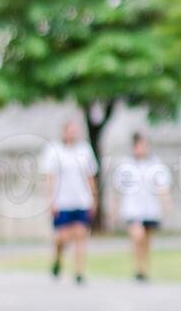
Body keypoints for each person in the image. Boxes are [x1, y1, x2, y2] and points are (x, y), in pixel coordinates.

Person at [40, 121, 98, 285]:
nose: (73, 134)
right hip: (62, 201)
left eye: (75, 130)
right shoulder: (54, 150)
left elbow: (90, 177)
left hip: (81, 200)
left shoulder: (85, 150)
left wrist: (94, 198)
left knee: (81, 234)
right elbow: (50, 178)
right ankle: (57, 260)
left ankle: (79, 272)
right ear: (64, 132)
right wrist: (51, 201)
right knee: (61, 238)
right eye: (70, 130)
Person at [112, 132, 172, 282]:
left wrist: (166, 201)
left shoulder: (155, 165)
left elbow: (162, 186)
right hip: (132, 209)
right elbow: (118, 189)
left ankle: (144, 268)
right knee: (137, 236)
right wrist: (114, 210)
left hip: (150, 210)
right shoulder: (126, 166)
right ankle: (138, 267)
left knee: (146, 240)